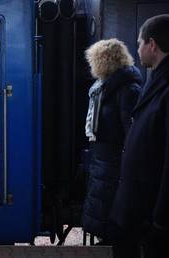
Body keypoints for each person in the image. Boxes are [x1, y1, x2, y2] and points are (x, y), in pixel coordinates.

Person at [109, 14, 169, 258]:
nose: (138, 50)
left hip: (150, 213)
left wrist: (161, 221)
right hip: (138, 207)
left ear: (152, 44)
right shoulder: (155, 79)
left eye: (139, 43)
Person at [81, 38, 142, 245]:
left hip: (114, 162)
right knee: (103, 206)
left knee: (110, 207)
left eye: (94, 60)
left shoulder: (126, 90)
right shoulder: (104, 88)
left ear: (104, 60)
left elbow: (131, 133)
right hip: (103, 159)